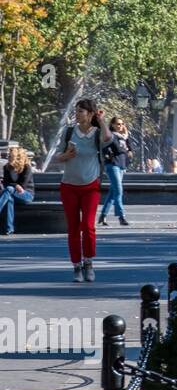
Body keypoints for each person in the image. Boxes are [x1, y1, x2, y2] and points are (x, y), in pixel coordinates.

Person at [54, 98, 111, 282]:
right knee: (73, 228)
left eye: (80, 111)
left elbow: (108, 138)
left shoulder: (96, 133)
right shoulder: (69, 131)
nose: (77, 114)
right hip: (69, 186)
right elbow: (57, 157)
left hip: (90, 187)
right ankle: (76, 266)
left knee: (87, 226)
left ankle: (89, 262)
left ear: (90, 114)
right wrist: (66, 155)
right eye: (76, 111)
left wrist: (101, 120)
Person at [97, 117, 131, 227]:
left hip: (121, 165)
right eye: (117, 124)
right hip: (112, 165)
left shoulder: (124, 137)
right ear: (112, 125)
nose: (120, 126)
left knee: (113, 193)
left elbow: (129, 150)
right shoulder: (110, 136)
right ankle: (121, 216)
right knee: (118, 190)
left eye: (122, 124)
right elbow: (118, 149)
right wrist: (126, 147)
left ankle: (103, 215)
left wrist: (126, 139)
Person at [1, 146, 35, 235]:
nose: (8, 157)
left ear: (16, 157)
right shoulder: (6, 167)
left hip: (26, 195)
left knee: (9, 189)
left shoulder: (26, 168)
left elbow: (23, 186)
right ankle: (9, 229)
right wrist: (15, 185)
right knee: (9, 199)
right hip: (12, 193)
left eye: (10, 156)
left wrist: (13, 186)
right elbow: (5, 183)